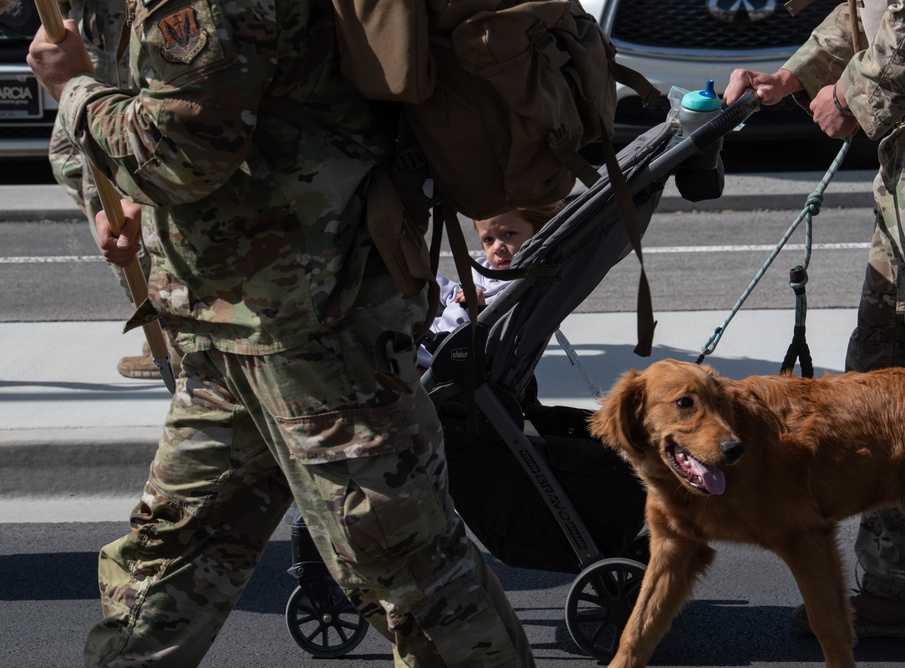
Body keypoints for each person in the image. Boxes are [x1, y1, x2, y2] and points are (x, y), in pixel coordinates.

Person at [26, 1, 536, 665]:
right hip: (223, 322)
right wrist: (109, 200)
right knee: (170, 559)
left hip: (317, 327)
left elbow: (185, 148)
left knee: (403, 569)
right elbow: (132, 142)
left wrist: (72, 90)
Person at [724, 0, 905, 640]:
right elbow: (870, 9)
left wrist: (851, 93)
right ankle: (897, 591)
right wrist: (791, 77)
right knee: (885, 393)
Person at [45, 0, 181, 379]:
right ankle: (169, 316)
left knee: (118, 189)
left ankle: (171, 333)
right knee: (68, 161)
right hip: (92, 34)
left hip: (126, 43)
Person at [418, 203, 563, 368]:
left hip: (445, 351)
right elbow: (455, 294)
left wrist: (478, 308)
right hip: (430, 333)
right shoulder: (487, 270)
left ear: (538, 233)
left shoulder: (522, 286)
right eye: (488, 239)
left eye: (509, 234)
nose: (497, 247)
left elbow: (496, 332)